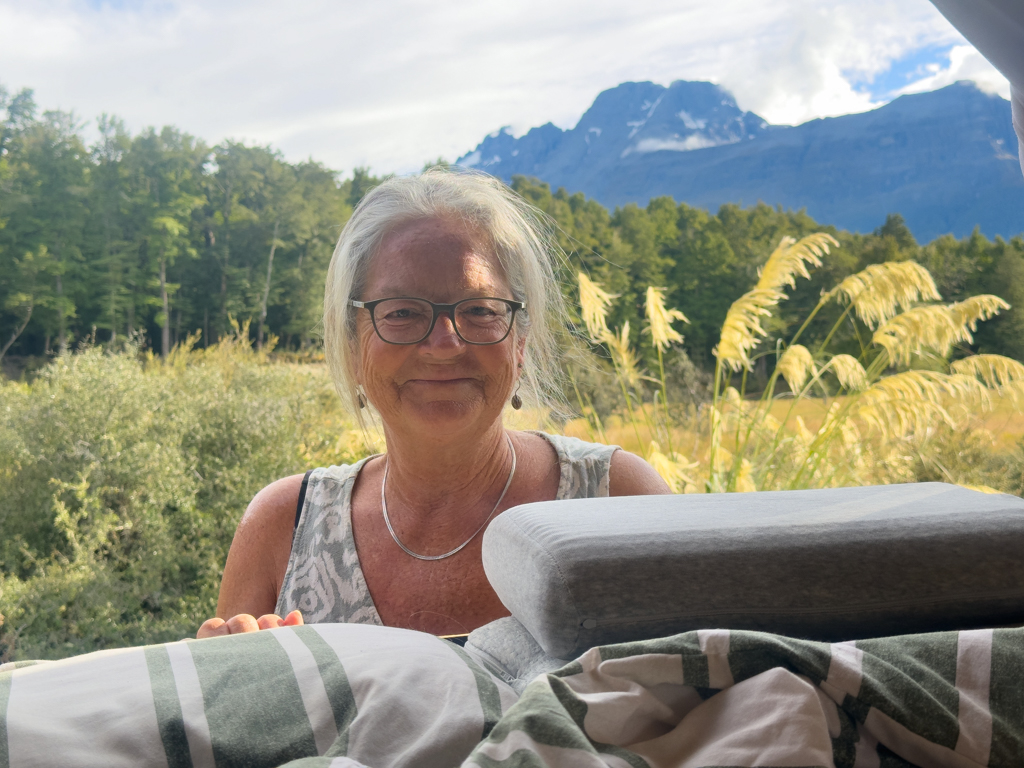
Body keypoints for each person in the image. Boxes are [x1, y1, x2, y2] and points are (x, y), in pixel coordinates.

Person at [197, 169, 670, 640]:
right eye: (402, 312)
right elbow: (217, 711)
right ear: (351, 344)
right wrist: (227, 679)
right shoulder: (282, 527)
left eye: (480, 310)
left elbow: (707, 701)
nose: (444, 345)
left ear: (520, 344)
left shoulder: (618, 501)